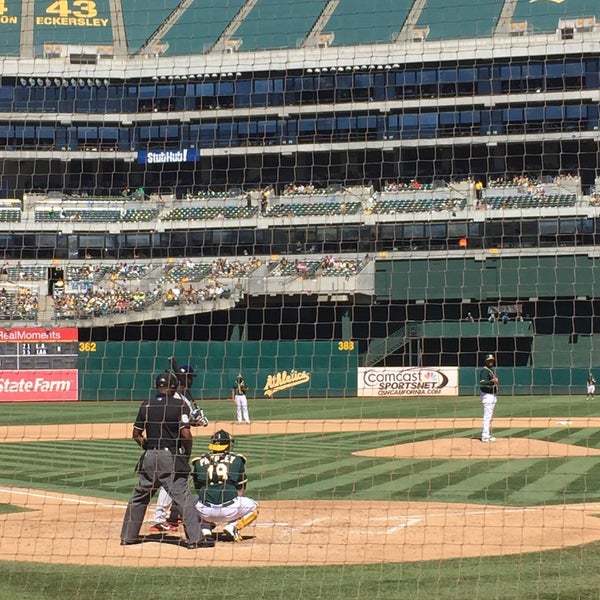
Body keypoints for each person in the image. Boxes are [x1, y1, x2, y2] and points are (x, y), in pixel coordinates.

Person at [120, 372, 215, 549]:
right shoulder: (179, 405)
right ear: (173, 387)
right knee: (183, 497)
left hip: (148, 457)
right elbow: (186, 434)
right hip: (170, 456)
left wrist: (149, 448)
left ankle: (127, 536)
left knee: (139, 497)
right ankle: (196, 539)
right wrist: (185, 454)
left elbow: (136, 434)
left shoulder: (146, 404)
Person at [150, 359, 209, 533]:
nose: (191, 380)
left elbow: (183, 422)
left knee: (182, 479)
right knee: (171, 481)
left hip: (175, 443)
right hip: (173, 445)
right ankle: (158, 518)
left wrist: (196, 421)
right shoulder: (175, 397)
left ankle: (175, 515)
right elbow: (175, 422)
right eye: (190, 377)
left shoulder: (182, 397)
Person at [192, 429, 259, 542]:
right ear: (228, 445)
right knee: (254, 507)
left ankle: (205, 528)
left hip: (205, 511)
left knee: (190, 505)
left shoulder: (199, 462)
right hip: (230, 509)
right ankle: (233, 526)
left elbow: (198, 490)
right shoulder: (237, 460)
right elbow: (241, 490)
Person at [479, 354, 498, 442]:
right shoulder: (485, 371)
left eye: (492, 360)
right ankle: (485, 436)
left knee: (490, 416)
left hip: (492, 395)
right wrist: (492, 381)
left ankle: (487, 434)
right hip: (487, 395)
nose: (491, 362)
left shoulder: (490, 370)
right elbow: (482, 383)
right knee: (487, 416)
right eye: (489, 360)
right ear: (486, 361)